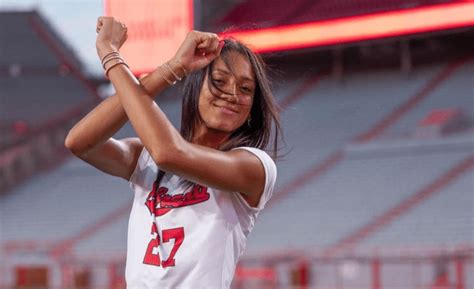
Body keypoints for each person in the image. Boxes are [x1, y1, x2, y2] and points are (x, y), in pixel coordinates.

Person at [65, 16, 282, 288]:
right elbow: (79, 142)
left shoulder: (255, 166)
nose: (232, 93)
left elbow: (168, 153)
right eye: (219, 80)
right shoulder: (146, 158)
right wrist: (173, 68)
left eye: (246, 89)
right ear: (195, 85)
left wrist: (110, 54)